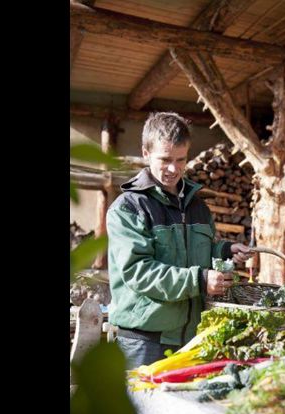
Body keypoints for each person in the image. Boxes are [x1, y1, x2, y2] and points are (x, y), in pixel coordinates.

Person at [106, 112, 251, 369]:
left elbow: (198, 252)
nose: (173, 169)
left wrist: (226, 251)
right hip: (143, 343)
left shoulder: (197, 206)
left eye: (181, 160)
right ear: (146, 153)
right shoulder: (128, 208)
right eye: (165, 160)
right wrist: (200, 280)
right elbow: (138, 271)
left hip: (191, 338)